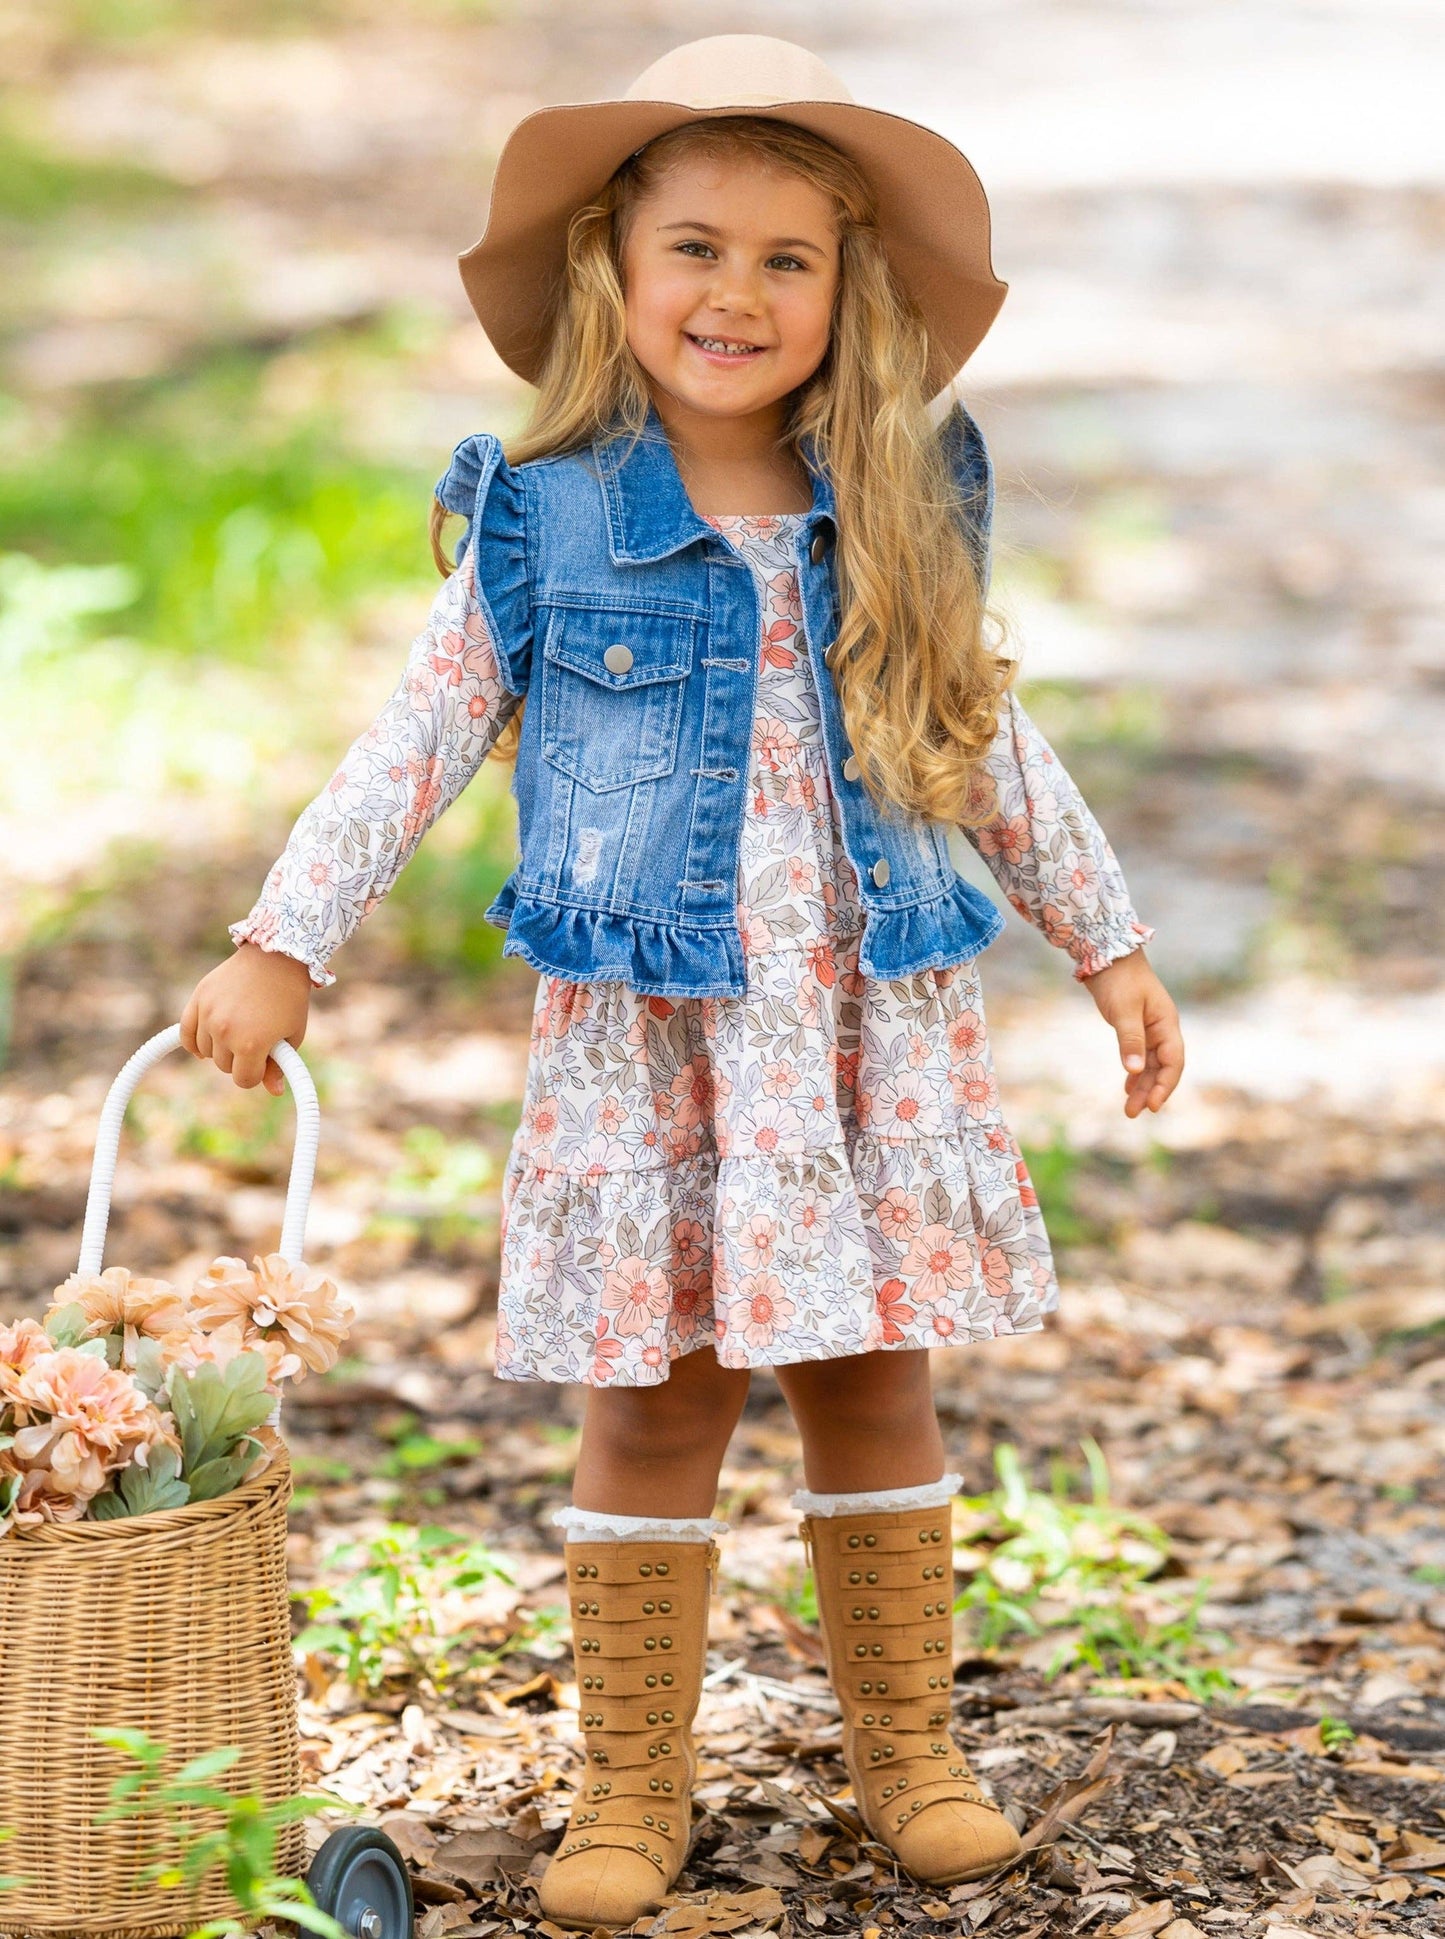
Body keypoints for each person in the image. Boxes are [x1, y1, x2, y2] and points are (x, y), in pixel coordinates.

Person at [181, 33, 1184, 1930]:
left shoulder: (891, 497)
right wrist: (277, 944)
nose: (735, 293)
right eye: (695, 249)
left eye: (786, 259)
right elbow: (412, 743)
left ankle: (911, 1754)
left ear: (847, 290)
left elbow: (982, 743)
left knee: (869, 1377)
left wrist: (1108, 943)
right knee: (657, 1402)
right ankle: (631, 1787)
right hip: (654, 1047)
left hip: (859, 1027)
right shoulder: (545, 520)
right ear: (612, 274)